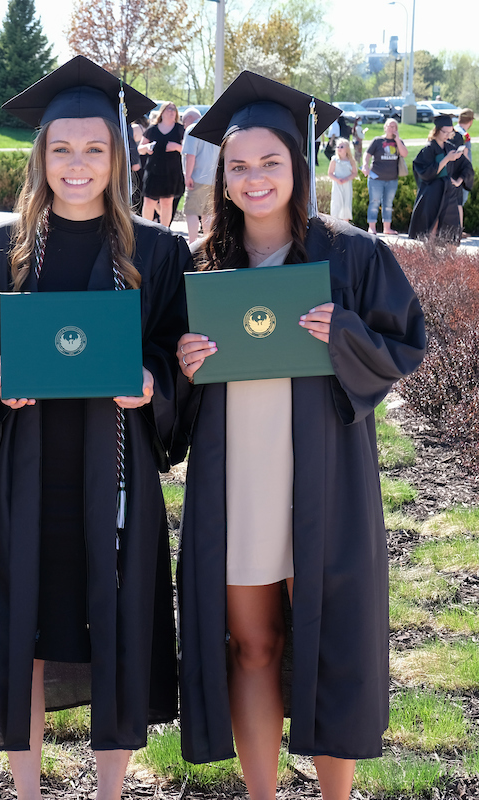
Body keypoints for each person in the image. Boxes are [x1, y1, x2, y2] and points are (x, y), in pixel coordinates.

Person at [175, 72, 426, 800]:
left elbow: (403, 345)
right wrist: (185, 365)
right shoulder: (205, 267)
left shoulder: (350, 258)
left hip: (322, 479)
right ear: (223, 178)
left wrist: (343, 332)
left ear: (299, 167)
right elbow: (167, 379)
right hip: (237, 480)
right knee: (251, 646)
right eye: (239, 166)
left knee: (328, 646)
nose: (254, 179)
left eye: (270, 163)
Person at [0, 55, 187, 800]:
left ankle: (110, 792)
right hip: (25, 477)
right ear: (41, 155)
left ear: (118, 157)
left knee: (117, 627)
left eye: (95, 148)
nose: (78, 164)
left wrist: (153, 383)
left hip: (114, 476)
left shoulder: (157, 254)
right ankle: (27, 791)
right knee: (20, 632)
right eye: (62, 148)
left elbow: (176, 358)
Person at [409, 114, 474, 242]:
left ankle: (447, 261)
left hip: (448, 193)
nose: (447, 135)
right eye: (444, 132)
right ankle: (430, 258)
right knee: (432, 227)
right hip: (432, 193)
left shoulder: (450, 147)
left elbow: (466, 167)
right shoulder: (428, 150)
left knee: (451, 231)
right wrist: (446, 160)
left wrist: (459, 181)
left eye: (450, 132)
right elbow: (425, 173)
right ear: (437, 130)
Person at [140, 101, 185, 228]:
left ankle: (165, 231)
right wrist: (147, 147)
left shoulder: (179, 129)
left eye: (174, 109)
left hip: (171, 171)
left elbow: (186, 149)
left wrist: (176, 147)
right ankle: (147, 229)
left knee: (167, 202)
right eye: (169, 109)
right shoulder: (152, 129)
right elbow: (140, 149)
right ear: (162, 112)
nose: (171, 111)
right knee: (149, 202)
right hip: (153, 170)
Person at [362, 118, 407, 235]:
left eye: (394, 127)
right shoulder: (377, 141)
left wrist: (397, 140)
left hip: (392, 179)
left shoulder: (399, 142)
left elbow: (404, 154)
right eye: (389, 126)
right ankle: (372, 227)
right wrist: (365, 165)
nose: (392, 128)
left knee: (388, 204)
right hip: (376, 177)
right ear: (385, 127)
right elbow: (367, 154)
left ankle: (387, 228)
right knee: (374, 202)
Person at [181, 106, 219, 242]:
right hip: (214, 178)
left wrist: (187, 175)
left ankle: (192, 243)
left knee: (191, 212)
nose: (184, 125)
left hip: (197, 177)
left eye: (184, 122)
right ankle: (206, 243)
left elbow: (190, 155)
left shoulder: (192, 129)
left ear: (189, 119)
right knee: (208, 214)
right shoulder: (214, 129)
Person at [328, 138, 357, 221]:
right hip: (337, 185)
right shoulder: (334, 159)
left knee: (346, 203)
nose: (339, 149)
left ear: (347, 148)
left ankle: (346, 223)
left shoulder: (351, 160)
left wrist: (347, 179)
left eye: (341, 147)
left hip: (347, 185)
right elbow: (330, 173)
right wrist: (337, 180)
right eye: (338, 147)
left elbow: (354, 173)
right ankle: (335, 222)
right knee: (336, 202)